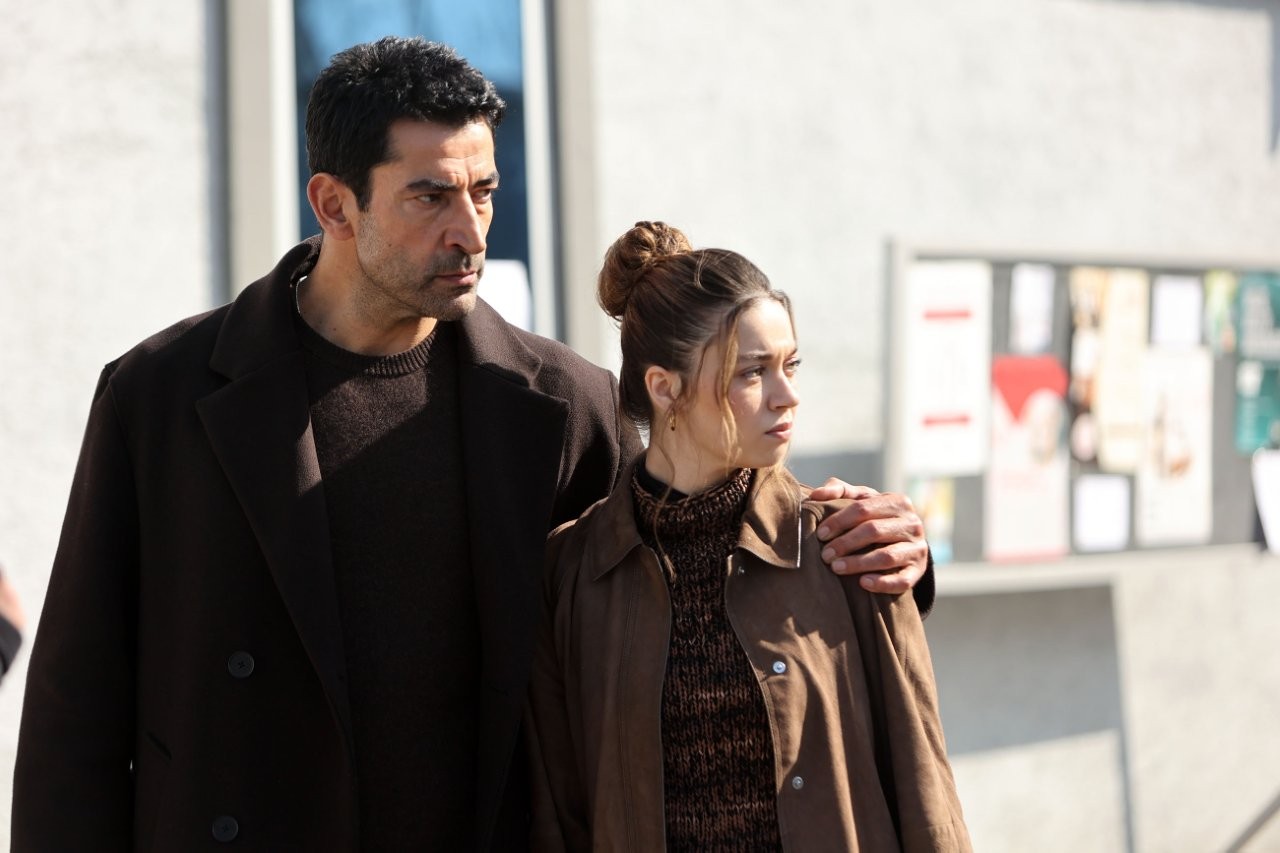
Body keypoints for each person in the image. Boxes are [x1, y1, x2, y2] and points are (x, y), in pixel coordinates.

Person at [14, 38, 931, 851]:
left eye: (484, 191)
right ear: (334, 204)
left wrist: (881, 554)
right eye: (430, 196)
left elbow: (684, 583)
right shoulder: (163, 395)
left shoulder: (562, 404)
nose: (471, 230)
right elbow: (74, 712)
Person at [526, 222, 969, 851]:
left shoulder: (847, 542)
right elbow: (561, 812)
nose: (787, 396)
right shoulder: (572, 575)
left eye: (791, 365)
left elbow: (925, 783)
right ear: (666, 388)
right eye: (753, 372)